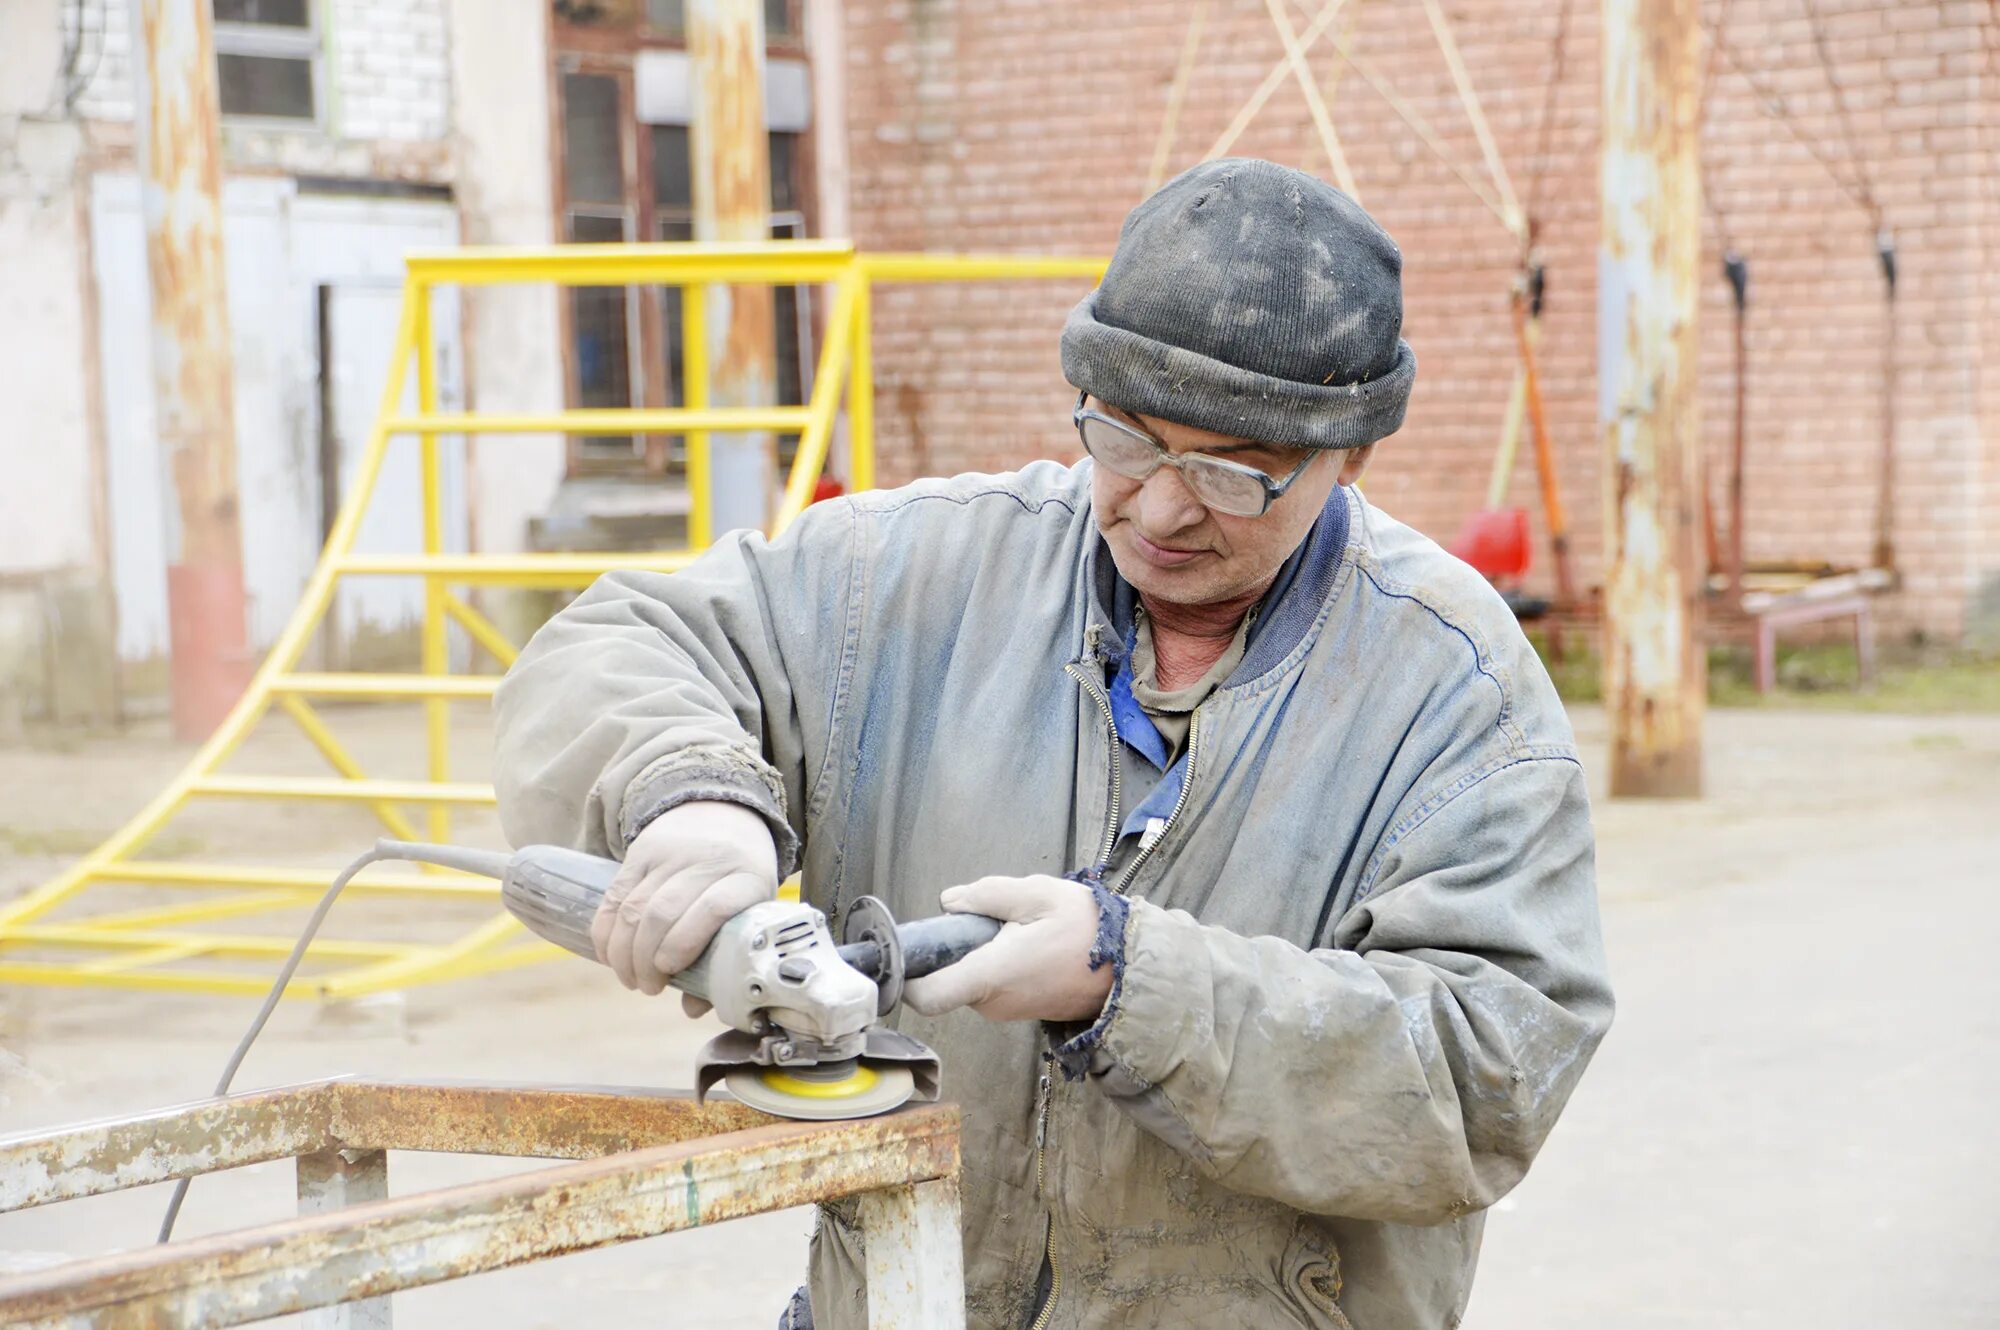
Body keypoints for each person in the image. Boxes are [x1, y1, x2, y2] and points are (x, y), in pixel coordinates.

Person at [494, 157, 1612, 1330]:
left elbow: (1487, 1074)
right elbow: (613, 644)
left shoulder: (1453, 690)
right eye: (1124, 440)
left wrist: (1132, 983)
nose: (1163, 508)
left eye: (1231, 471)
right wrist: (691, 794)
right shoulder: (912, 577)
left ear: (1349, 456)